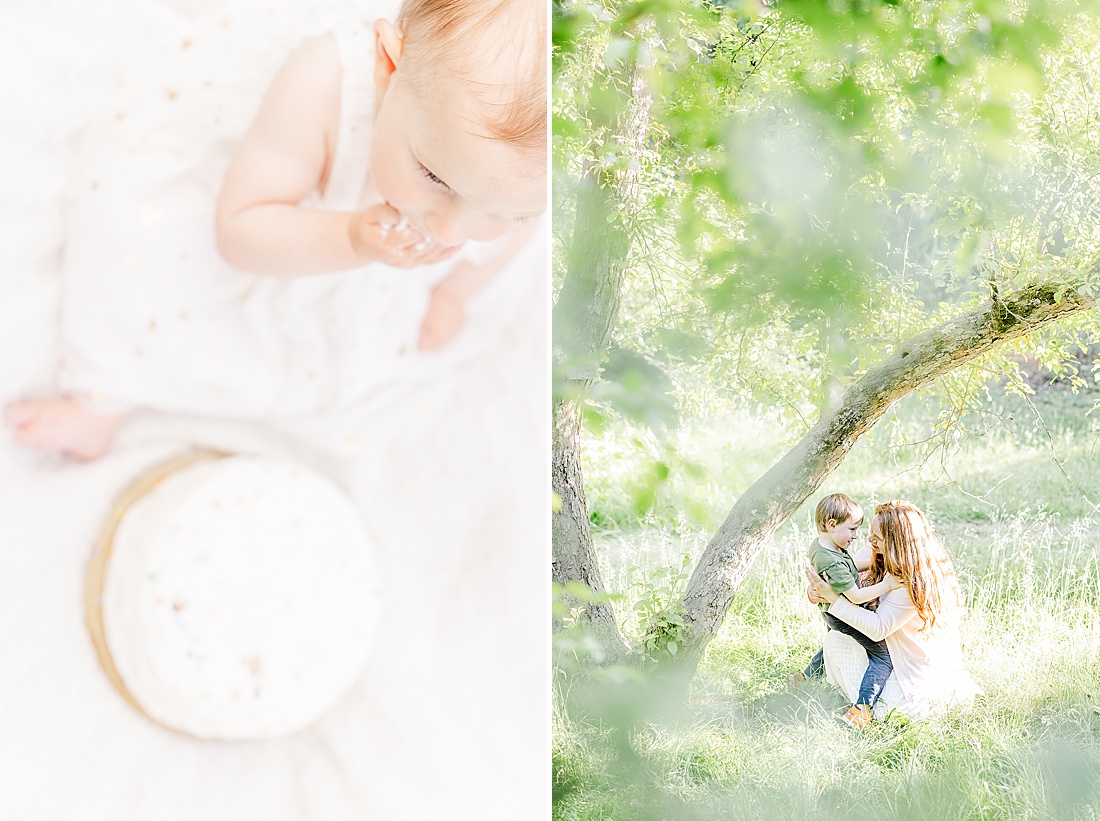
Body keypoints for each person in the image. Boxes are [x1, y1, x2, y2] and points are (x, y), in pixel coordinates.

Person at [4, 0, 546, 460]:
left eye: (502, 210)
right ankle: (102, 395)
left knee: (337, 368)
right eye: (434, 176)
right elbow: (240, 231)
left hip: (368, 283)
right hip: (271, 224)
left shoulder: (511, 187)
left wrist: (452, 293)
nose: (453, 231)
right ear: (387, 65)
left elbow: (511, 242)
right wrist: (351, 239)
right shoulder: (323, 83)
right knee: (126, 231)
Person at [805, 499, 981, 726]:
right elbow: (841, 576)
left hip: (908, 674)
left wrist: (832, 598)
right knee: (839, 634)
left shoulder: (909, 581)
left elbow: (878, 628)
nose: (869, 540)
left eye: (876, 537)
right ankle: (844, 696)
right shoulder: (878, 550)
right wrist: (816, 590)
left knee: (836, 640)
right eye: (869, 533)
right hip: (890, 656)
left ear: (897, 543)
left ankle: (865, 710)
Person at [791, 493, 900, 728]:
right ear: (831, 525)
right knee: (882, 657)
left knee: (832, 640)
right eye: (852, 529)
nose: (855, 536)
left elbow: (849, 566)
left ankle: (805, 677)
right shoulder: (832, 559)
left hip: (832, 613)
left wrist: (876, 563)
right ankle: (861, 709)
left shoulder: (825, 546)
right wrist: (887, 584)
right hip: (840, 614)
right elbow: (856, 596)